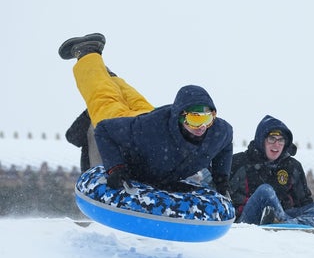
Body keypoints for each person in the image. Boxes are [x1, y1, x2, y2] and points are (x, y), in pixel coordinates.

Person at [59, 33, 233, 194]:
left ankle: (108, 75)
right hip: (129, 126)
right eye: (194, 119)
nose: (202, 126)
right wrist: (116, 168)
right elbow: (104, 130)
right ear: (180, 116)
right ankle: (88, 52)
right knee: (103, 98)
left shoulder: (219, 132)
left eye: (207, 118)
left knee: (132, 98)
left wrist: (221, 178)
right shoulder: (150, 131)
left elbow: (225, 145)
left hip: (150, 118)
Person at [229, 115, 314, 227]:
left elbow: (304, 201)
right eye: (272, 139)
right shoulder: (239, 162)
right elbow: (224, 195)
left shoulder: (292, 166)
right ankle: (285, 223)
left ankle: (292, 224)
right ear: (261, 140)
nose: (276, 145)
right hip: (248, 219)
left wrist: (311, 215)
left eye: (281, 140)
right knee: (265, 191)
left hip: (288, 215)